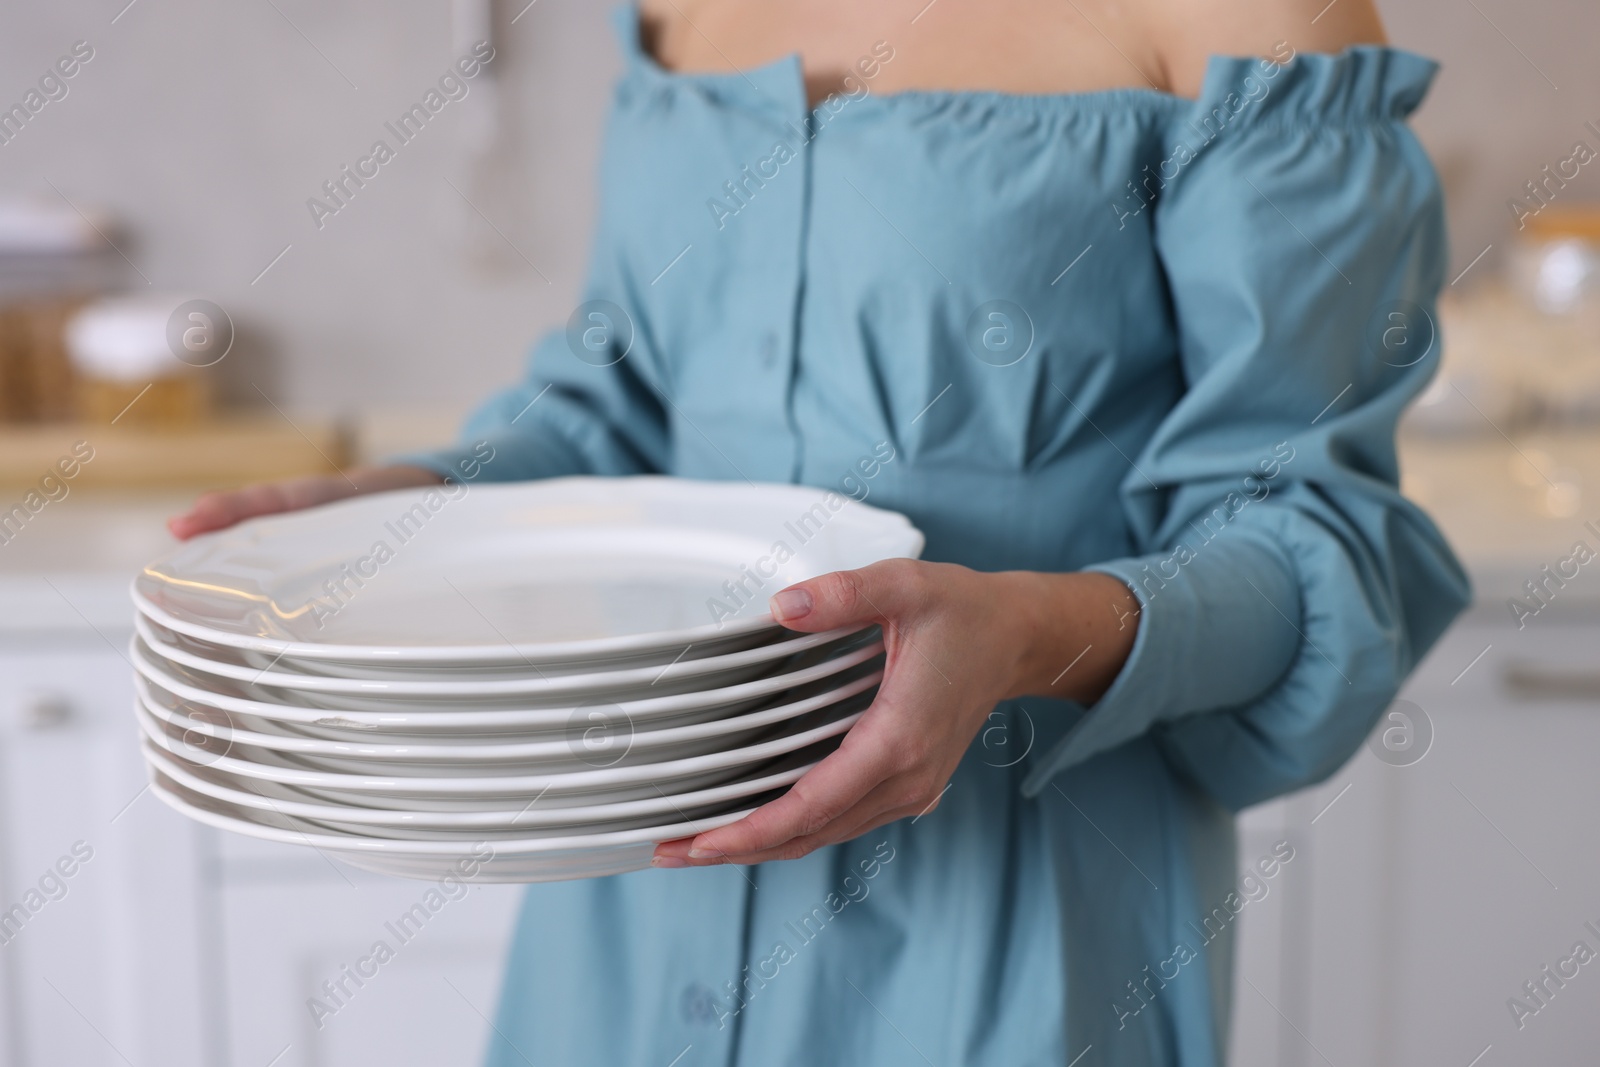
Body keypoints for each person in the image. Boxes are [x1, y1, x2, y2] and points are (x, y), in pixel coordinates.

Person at [170, 0, 1470, 1062]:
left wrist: (1022, 633)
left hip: (1016, 908)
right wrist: (409, 513)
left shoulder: (1256, 23)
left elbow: (1317, 541)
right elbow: (621, 407)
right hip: (636, 883)